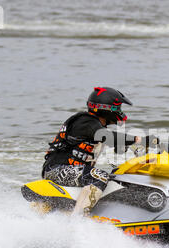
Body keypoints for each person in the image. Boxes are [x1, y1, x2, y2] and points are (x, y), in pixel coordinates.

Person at [42, 87, 145, 216]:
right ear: (107, 109)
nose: (120, 112)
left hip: (71, 171)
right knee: (99, 176)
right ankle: (78, 219)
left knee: (117, 177)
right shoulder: (85, 121)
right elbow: (107, 136)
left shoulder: (94, 125)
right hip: (56, 170)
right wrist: (138, 139)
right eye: (117, 108)